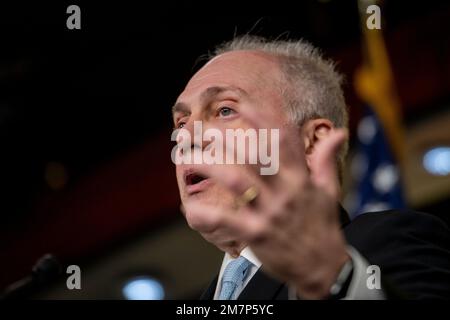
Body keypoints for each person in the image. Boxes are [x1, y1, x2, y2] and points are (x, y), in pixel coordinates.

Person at [171, 35, 450, 299]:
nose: (186, 138)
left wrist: (334, 278)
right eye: (181, 123)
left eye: (225, 110)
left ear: (313, 143)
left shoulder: (385, 244)